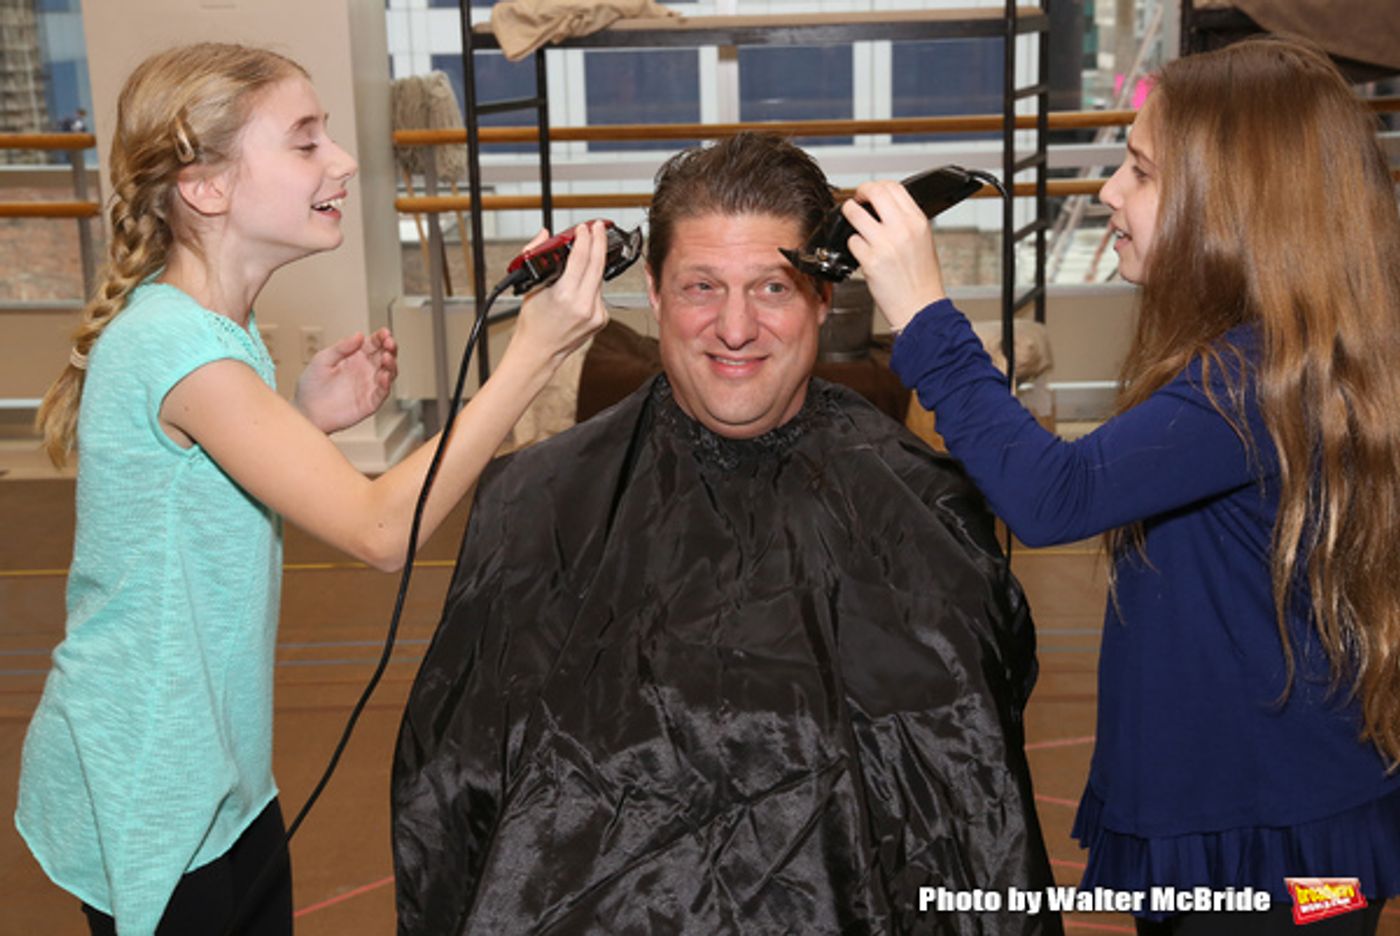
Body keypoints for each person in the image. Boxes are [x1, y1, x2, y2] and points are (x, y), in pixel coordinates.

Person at [392, 131, 1063, 935]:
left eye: (773, 288)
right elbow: (450, 799)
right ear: (651, 289)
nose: (735, 328)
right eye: (701, 286)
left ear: (824, 296)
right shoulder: (535, 503)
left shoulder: (924, 509)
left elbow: (971, 811)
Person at [16, 43, 608, 936]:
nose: (342, 160)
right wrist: (529, 360)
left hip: (223, 775)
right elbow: (379, 531)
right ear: (206, 188)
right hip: (152, 777)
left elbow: (190, 475)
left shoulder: (213, 328)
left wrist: (297, 420)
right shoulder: (184, 347)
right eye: (305, 142)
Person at [848, 35, 1400, 936]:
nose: (1107, 192)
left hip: (1280, 860)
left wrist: (923, 314)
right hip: (1248, 825)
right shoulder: (1259, 362)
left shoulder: (1257, 379)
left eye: (1139, 171)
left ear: (1235, 204)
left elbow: (1053, 495)